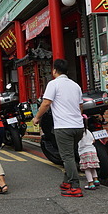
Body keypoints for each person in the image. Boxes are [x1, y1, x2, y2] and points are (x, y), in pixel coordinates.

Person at [33, 58, 85, 197]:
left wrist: (37, 117)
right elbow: (80, 106)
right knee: (71, 154)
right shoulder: (75, 85)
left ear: (54, 70)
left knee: (67, 157)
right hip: (78, 127)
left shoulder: (53, 84)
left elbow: (46, 103)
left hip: (64, 127)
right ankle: (66, 182)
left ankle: (75, 186)